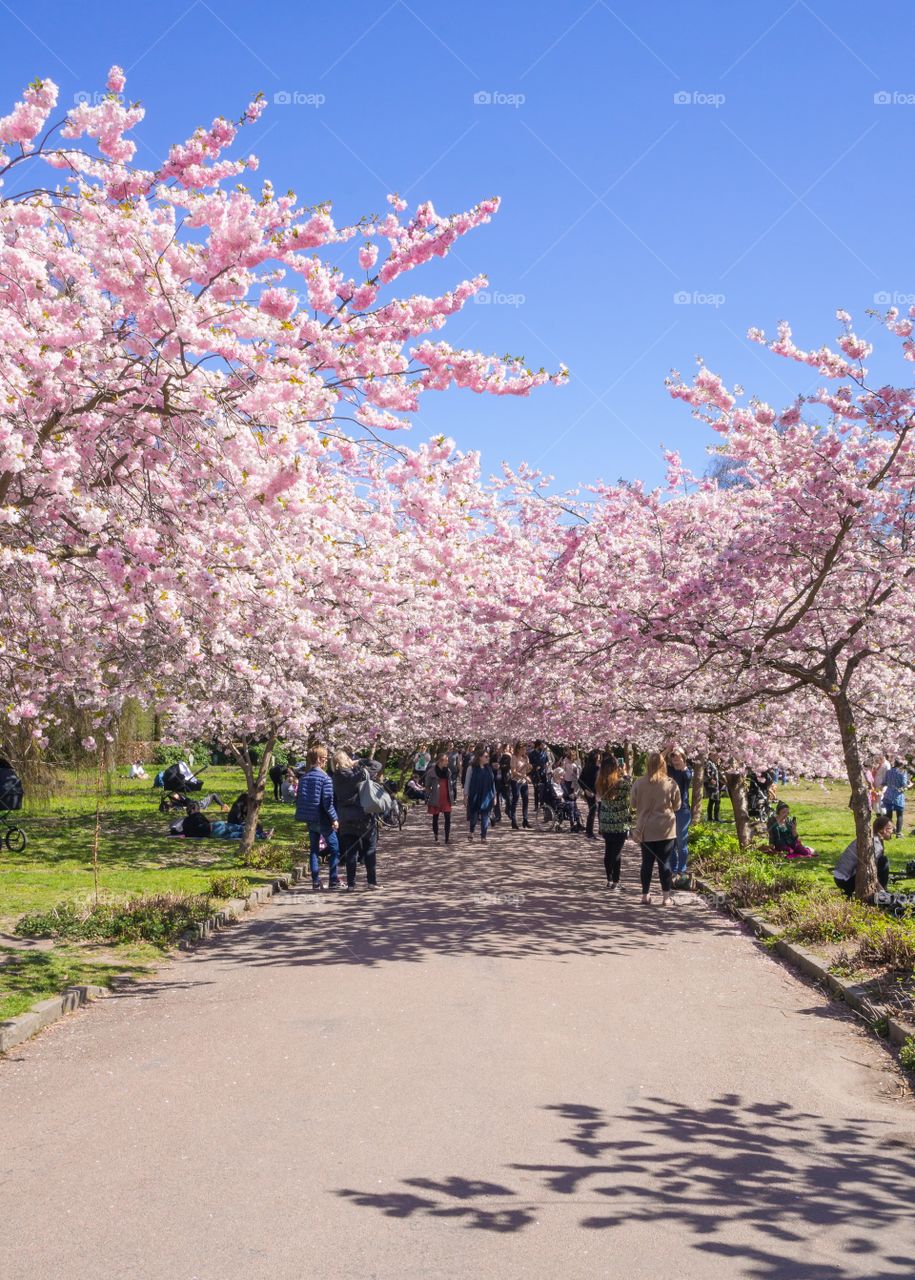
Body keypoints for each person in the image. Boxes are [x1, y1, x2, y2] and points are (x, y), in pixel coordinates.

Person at [630, 752, 680, 907]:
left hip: (646, 829)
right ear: (662, 764)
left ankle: (645, 895)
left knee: (646, 863)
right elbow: (677, 805)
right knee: (664, 862)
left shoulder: (639, 783)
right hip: (665, 828)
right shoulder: (670, 783)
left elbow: (633, 804)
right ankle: (666, 898)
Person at [332, 750, 381, 891]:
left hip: (346, 818)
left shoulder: (335, 777)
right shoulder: (358, 774)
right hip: (363, 816)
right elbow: (377, 765)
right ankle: (372, 881)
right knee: (370, 849)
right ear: (346, 760)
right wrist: (360, 761)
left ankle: (351, 884)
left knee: (350, 852)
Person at [295, 743, 341, 891]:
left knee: (314, 850)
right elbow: (328, 803)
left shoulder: (304, 778)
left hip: (310, 818)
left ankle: (315, 881)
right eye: (326, 758)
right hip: (323, 819)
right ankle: (333, 879)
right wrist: (334, 818)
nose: (327, 760)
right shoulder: (325, 779)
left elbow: (300, 799)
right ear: (320, 759)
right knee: (335, 849)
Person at [596, 757, 631, 891]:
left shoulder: (600, 782)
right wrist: (626, 773)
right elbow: (631, 787)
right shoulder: (621, 783)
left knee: (608, 850)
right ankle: (616, 881)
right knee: (617, 853)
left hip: (605, 821)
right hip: (619, 823)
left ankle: (609, 879)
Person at [834, 816, 892, 897]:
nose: (892, 831)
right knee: (883, 861)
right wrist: (881, 888)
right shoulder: (876, 844)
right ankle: (882, 896)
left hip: (838, 878)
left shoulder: (867, 838)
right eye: (891, 828)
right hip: (846, 881)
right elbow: (869, 868)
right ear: (883, 830)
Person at [666, 747, 693, 877]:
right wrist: (667, 749)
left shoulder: (686, 772)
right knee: (671, 841)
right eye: (673, 757)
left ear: (683, 758)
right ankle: (673, 869)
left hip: (682, 811)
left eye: (678, 757)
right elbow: (658, 760)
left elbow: (687, 778)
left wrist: (683, 765)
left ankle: (681, 870)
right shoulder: (669, 771)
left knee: (681, 841)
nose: (675, 760)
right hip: (669, 810)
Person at [465, 749, 497, 842]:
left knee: (485, 816)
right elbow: (467, 783)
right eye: (486, 756)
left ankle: (483, 836)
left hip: (487, 796)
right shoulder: (472, 768)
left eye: (488, 756)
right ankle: (471, 831)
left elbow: (492, 783)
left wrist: (494, 796)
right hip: (475, 795)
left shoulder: (489, 769)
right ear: (480, 758)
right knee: (474, 816)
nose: (488, 758)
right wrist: (465, 796)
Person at [425, 751, 453, 844]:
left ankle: (447, 838)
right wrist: (429, 794)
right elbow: (427, 785)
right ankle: (436, 838)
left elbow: (450, 784)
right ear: (440, 761)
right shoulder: (431, 771)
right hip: (436, 797)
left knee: (448, 818)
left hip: (446, 797)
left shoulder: (448, 771)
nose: (447, 762)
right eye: (446, 761)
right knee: (435, 818)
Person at [882, 759, 909, 837]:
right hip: (898, 796)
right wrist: (908, 785)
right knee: (899, 815)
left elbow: (884, 782)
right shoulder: (903, 772)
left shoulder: (888, 772)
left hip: (888, 795)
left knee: (888, 815)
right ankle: (898, 833)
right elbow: (904, 785)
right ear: (901, 764)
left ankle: (888, 831)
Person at [509, 741, 532, 830]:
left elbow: (526, 771)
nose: (524, 751)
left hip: (523, 781)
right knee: (515, 800)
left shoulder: (525, 758)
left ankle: (525, 820)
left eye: (525, 749)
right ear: (518, 749)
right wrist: (524, 775)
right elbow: (514, 772)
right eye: (522, 749)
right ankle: (513, 821)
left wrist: (529, 767)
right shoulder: (514, 758)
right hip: (516, 781)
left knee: (525, 800)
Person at [579, 750, 602, 839]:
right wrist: (588, 790)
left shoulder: (586, 767)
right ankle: (589, 832)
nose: (599, 758)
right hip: (593, 793)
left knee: (593, 810)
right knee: (593, 810)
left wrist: (585, 790)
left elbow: (580, 780)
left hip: (590, 793)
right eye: (598, 756)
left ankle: (591, 831)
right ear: (595, 758)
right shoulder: (596, 768)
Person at [705, 758, 723, 823]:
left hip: (715, 785)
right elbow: (706, 772)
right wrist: (710, 779)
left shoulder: (713, 763)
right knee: (717, 800)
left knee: (712, 800)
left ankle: (710, 817)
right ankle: (716, 818)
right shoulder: (709, 763)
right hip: (711, 786)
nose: (717, 757)